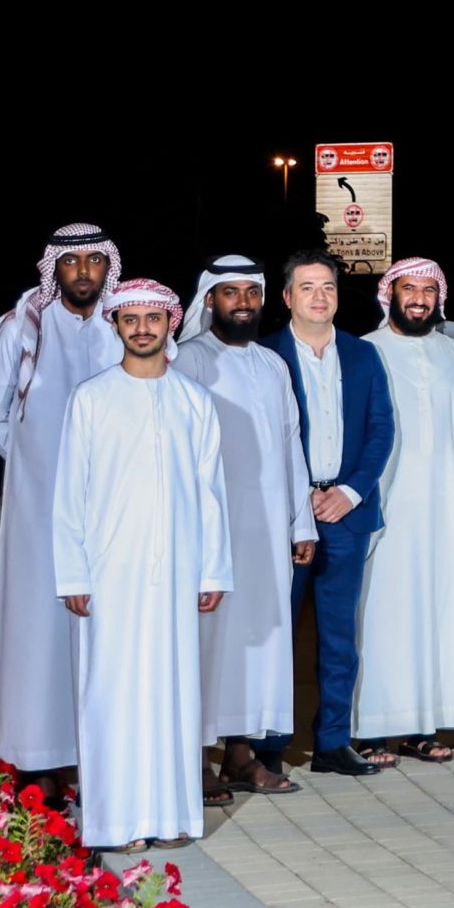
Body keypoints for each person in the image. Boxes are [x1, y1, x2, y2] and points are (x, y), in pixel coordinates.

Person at [52, 279, 230, 852]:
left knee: (174, 688)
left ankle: (173, 814)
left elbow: (211, 494)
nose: (143, 328)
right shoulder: (92, 398)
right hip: (109, 571)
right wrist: (73, 574)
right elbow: (69, 495)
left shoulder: (194, 401)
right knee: (113, 690)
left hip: (178, 571)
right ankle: (115, 822)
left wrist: (212, 571)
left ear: (170, 323)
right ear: (117, 326)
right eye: (131, 319)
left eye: (154, 318)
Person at [171, 257, 314, 798]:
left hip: (266, 529)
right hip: (211, 530)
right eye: (229, 293)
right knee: (210, 642)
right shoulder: (186, 360)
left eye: (250, 293)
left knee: (258, 644)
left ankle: (239, 755)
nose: (242, 303)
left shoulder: (272, 365)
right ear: (209, 300)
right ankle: (195, 760)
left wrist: (302, 523)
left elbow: (289, 447)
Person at [0, 223, 122, 779]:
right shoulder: (22, 326)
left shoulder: (128, 324)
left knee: (107, 628)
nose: (85, 271)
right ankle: (38, 762)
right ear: (55, 269)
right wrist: (35, 464)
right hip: (39, 507)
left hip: (115, 505)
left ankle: (98, 761)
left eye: (95, 260)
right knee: (38, 630)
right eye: (72, 262)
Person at [263, 250, 395, 777]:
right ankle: (267, 748)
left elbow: (382, 430)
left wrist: (351, 492)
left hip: (347, 513)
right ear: (287, 296)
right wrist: (301, 500)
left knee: (340, 637)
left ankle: (333, 743)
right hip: (287, 517)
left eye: (329, 287)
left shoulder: (362, 356)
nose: (320, 296)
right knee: (277, 633)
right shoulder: (269, 355)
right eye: (308, 287)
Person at [353, 257, 454, 766]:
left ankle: (421, 726)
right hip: (384, 508)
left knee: (434, 614)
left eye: (429, 289)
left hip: (444, 508)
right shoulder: (365, 351)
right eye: (410, 288)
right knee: (380, 615)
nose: (420, 298)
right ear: (390, 295)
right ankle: (372, 730)